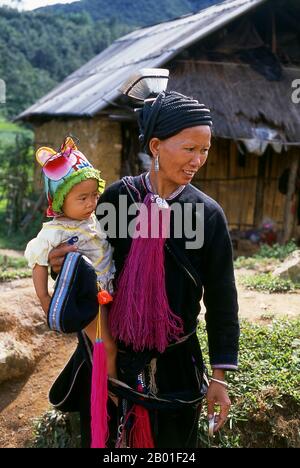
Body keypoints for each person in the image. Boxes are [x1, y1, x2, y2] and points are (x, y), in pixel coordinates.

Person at [48, 69, 239, 448]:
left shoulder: (207, 214)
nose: (198, 160)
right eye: (189, 149)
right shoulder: (118, 201)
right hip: (112, 363)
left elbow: (222, 299)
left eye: (205, 150)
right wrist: (62, 265)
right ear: (155, 146)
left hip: (176, 368)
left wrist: (219, 376)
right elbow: (92, 271)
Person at [24, 136, 117, 380]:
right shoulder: (55, 232)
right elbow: (39, 262)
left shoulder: (89, 220)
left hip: (106, 289)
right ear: (60, 200)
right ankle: (114, 394)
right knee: (106, 346)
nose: (91, 204)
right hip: (86, 296)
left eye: (94, 196)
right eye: (82, 198)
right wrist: (46, 299)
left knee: (113, 339)